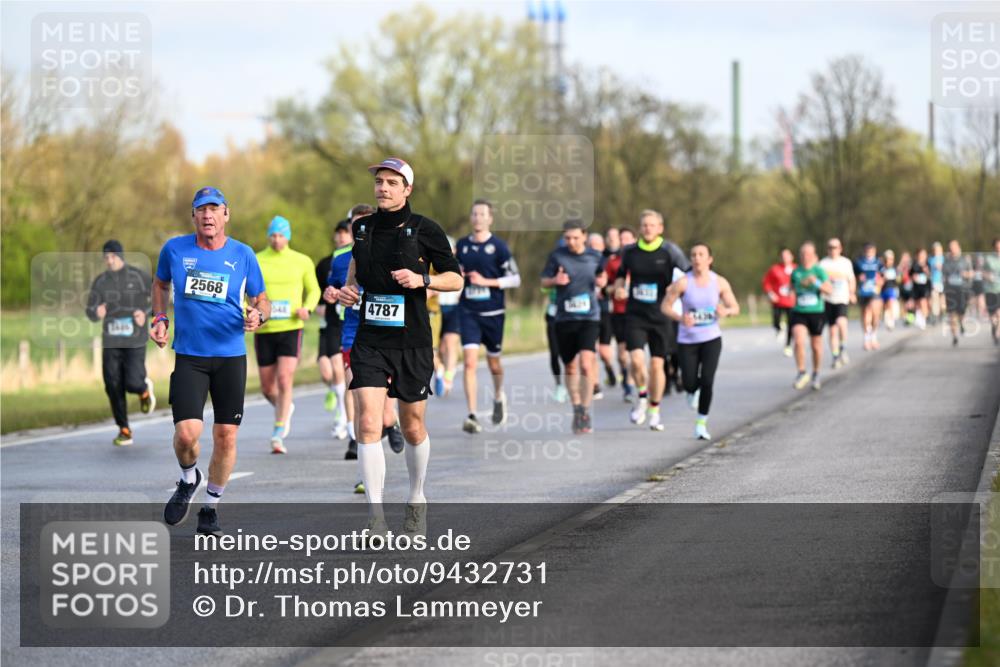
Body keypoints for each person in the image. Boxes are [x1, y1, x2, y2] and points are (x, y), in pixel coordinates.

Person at [337, 159, 462, 535]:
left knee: (412, 426)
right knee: (369, 422)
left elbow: (455, 279)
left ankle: (416, 497)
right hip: (371, 339)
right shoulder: (361, 228)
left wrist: (423, 279)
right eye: (379, 182)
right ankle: (376, 519)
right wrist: (348, 292)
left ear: (407, 189)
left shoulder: (426, 229)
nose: (383, 188)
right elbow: (354, 276)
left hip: (412, 341)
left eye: (392, 182)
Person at [152, 186, 269, 536]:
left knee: (226, 437)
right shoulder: (174, 249)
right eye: (201, 210)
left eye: (214, 209)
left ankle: (211, 506)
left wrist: (258, 317)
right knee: (187, 434)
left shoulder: (243, 254)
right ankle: (189, 478)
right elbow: (160, 285)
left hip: (231, 356)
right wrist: (160, 319)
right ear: (194, 216)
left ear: (226, 215)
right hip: (190, 355)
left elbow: (262, 300)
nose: (208, 216)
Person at [323, 208, 406, 480]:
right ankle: (364, 471)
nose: (359, 231)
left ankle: (391, 423)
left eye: (364, 225)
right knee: (361, 402)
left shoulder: (391, 253)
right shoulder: (340, 260)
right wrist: (334, 293)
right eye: (354, 226)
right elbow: (332, 291)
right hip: (352, 335)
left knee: (382, 408)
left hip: (385, 336)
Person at [613, 210, 689, 431]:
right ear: (640, 228)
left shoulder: (669, 251)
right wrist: (618, 288)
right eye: (644, 225)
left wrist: (675, 288)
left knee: (657, 364)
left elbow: (688, 274)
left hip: (661, 315)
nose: (647, 228)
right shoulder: (629, 252)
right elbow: (620, 274)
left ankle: (654, 410)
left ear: (660, 228)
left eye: (652, 225)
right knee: (636, 360)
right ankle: (642, 397)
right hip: (636, 314)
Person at [254, 215, 321, 454]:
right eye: (273, 235)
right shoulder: (258, 259)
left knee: (284, 379)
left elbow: (314, 290)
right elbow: (246, 289)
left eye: (281, 235)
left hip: (291, 328)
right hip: (265, 329)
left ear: (288, 236)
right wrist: (249, 309)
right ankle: (285, 407)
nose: (276, 239)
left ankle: (278, 431)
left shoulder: (301, 261)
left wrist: (308, 308)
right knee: (267, 388)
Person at [662, 243, 740, 440]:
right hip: (687, 340)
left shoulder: (719, 282)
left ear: (709, 260)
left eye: (701, 255)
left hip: (711, 338)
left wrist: (726, 311)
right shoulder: (683, 282)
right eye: (693, 255)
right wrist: (681, 318)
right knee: (689, 382)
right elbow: (665, 306)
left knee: (707, 380)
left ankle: (701, 423)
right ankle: (691, 391)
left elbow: (735, 307)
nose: (697, 258)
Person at [456, 200, 521, 433]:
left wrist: (487, 282)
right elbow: (453, 272)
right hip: (468, 311)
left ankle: (497, 396)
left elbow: (515, 279)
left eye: (482, 214)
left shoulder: (499, 247)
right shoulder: (462, 246)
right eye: (474, 213)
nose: (477, 218)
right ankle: (472, 415)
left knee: (494, 363)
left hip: (493, 312)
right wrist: (457, 274)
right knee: (470, 363)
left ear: (490, 218)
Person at [85, 239, 155, 446]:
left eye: (112, 256)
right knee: (112, 383)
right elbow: (90, 310)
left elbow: (159, 297)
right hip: (111, 340)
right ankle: (124, 429)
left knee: (132, 382)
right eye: (106, 257)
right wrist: (96, 312)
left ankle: (142, 389)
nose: (109, 261)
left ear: (121, 256)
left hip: (135, 338)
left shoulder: (138, 276)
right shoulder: (100, 281)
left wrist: (146, 313)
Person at [540, 219, 607, 434]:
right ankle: (577, 407)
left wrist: (603, 281)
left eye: (576, 237)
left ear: (584, 236)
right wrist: (555, 280)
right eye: (567, 237)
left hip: (589, 317)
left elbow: (602, 275)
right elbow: (543, 281)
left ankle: (585, 410)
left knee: (587, 365)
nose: (571, 241)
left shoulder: (595, 256)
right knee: (570, 367)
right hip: (564, 318)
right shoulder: (557, 255)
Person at [315, 217, 358, 439]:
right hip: (333, 323)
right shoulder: (330, 261)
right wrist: (324, 300)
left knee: (348, 375)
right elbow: (322, 291)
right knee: (332, 371)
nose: (342, 236)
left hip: (353, 323)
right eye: (339, 232)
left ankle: (348, 420)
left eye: (346, 232)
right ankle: (347, 419)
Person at [791, 241, 833, 390]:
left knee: (816, 346)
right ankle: (802, 372)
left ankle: (816, 372)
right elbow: (792, 290)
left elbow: (829, 290)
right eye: (802, 254)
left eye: (808, 254)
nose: (805, 257)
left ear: (814, 256)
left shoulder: (819, 271)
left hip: (816, 312)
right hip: (799, 312)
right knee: (798, 340)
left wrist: (815, 282)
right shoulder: (796, 272)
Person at [603, 226, 637, 402]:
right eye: (620, 239)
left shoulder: (640, 260)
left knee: (635, 353)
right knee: (622, 355)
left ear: (634, 240)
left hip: (637, 312)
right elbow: (605, 287)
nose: (623, 242)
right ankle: (626, 380)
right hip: (618, 312)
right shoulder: (613, 262)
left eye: (627, 239)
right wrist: (615, 289)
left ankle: (631, 386)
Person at [819, 238, 855, 369]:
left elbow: (851, 279)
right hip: (828, 300)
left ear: (840, 248)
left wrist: (852, 293)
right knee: (832, 330)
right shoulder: (822, 264)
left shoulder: (845, 263)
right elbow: (819, 282)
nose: (833, 250)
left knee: (842, 323)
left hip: (842, 298)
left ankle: (843, 347)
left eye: (835, 247)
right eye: (830, 247)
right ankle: (835, 355)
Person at [433, 236, 461, 397]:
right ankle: (440, 369)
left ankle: (448, 378)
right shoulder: (433, 264)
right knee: (439, 348)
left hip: (455, 307)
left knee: (450, 342)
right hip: (436, 309)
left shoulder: (460, 265)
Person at [762, 248, 796, 356]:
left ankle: (788, 345)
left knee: (791, 324)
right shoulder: (775, 269)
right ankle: (779, 327)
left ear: (792, 257)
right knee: (775, 320)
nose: (785, 258)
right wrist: (771, 294)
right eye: (783, 256)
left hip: (791, 302)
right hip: (778, 301)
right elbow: (766, 282)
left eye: (787, 256)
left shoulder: (796, 269)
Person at [942, 239, 972, 347]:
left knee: (961, 312)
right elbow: (944, 276)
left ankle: (962, 323)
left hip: (962, 290)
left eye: (954, 247)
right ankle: (954, 336)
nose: (952, 249)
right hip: (950, 290)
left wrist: (965, 274)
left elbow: (971, 274)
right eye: (950, 247)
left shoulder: (965, 260)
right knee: (951, 314)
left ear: (958, 247)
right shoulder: (946, 261)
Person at [855, 243, 884, 350]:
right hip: (863, 292)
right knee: (866, 313)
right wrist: (859, 278)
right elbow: (854, 276)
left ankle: (874, 335)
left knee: (875, 315)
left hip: (875, 291)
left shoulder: (879, 262)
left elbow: (883, 276)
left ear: (875, 251)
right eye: (867, 251)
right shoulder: (859, 262)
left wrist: (880, 282)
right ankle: (867, 338)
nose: (869, 253)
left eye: (871, 251)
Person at [910, 248, 932, 330]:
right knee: (918, 303)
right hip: (916, 286)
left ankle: (924, 319)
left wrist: (927, 271)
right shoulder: (914, 264)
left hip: (925, 286)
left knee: (924, 302)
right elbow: (910, 274)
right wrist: (913, 277)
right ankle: (919, 317)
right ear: (917, 255)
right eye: (921, 254)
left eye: (924, 254)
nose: (922, 256)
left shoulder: (927, 264)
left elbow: (930, 275)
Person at [984, 238, 1000, 345]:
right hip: (990, 290)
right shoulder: (988, 259)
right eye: (997, 247)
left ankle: (997, 333)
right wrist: (988, 276)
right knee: (993, 315)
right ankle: (994, 329)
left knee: (999, 313)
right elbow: (982, 273)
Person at [929, 241, 945, 324]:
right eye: (936, 250)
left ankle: (943, 313)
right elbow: (935, 267)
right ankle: (935, 315)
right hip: (935, 282)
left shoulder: (943, 258)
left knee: (942, 299)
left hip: (942, 282)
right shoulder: (932, 259)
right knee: (935, 299)